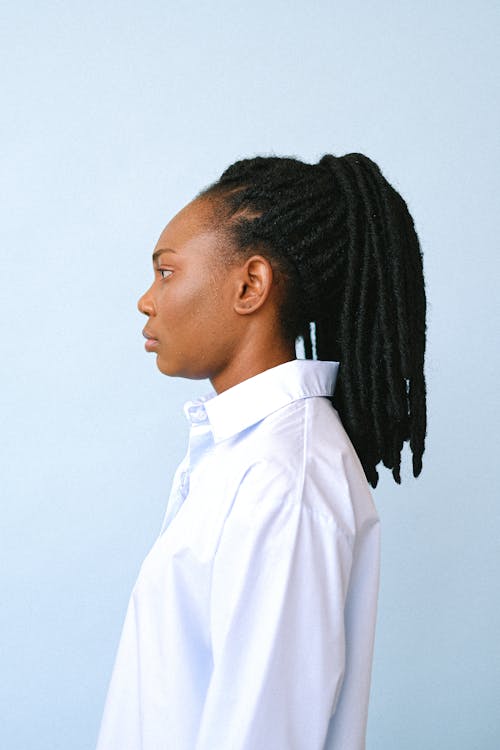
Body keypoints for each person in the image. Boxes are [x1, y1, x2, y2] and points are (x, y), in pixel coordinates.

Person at [96, 152, 427, 749]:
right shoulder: (245, 456)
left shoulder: (285, 481)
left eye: (166, 272)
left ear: (249, 285)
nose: (146, 300)